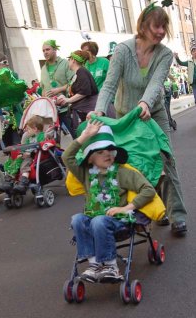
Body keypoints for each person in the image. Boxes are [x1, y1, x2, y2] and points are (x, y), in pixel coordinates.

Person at [88, 1, 187, 236]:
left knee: (166, 160)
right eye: (157, 26)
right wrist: (99, 111)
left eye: (164, 27)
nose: (161, 32)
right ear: (143, 25)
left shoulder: (164, 54)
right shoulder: (123, 50)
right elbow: (109, 85)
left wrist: (145, 103)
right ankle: (153, 208)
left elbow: (156, 83)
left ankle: (177, 215)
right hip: (126, 118)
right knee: (136, 166)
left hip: (153, 114)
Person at [62, 120, 155, 282]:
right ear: (89, 159)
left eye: (110, 149)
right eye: (99, 151)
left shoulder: (123, 172)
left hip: (119, 222)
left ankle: (111, 266)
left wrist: (127, 208)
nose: (107, 154)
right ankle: (94, 265)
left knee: (98, 221)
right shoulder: (85, 173)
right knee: (77, 219)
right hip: (94, 220)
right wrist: (85, 136)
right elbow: (66, 157)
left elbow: (148, 190)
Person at [57, 50, 98, 138]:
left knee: (89, 137)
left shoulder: (82, 71)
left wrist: (68, 100)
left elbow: (84, 91)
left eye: (69, 59)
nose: (68, 61)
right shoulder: (78, 73)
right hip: (84, 110)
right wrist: (64, 97)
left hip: (88, 110)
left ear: (73, 60)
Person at [40, 40, 74, 136]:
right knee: (51, 140)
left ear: (55, 50)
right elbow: (43, 88)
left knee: (75, 134)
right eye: (43, 50)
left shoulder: (65, 63)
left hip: (66, 108)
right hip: (50, 111)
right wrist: (44, 95)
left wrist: (59, 89)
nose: (45, 52)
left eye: (48, 49)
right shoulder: (43, 69)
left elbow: (73, 83)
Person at [12, 115, 46, 194]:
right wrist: (21, 153)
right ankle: (10, 179)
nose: (27, 131)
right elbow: (24, 147)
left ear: (35, 129)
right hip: (27, 155)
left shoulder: (41, 136)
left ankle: (23, 182)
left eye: (28, 129)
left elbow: (40, 146)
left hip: (35, 156)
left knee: (25, 163)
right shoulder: (30, 138)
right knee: (16, 161)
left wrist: (29, 153)